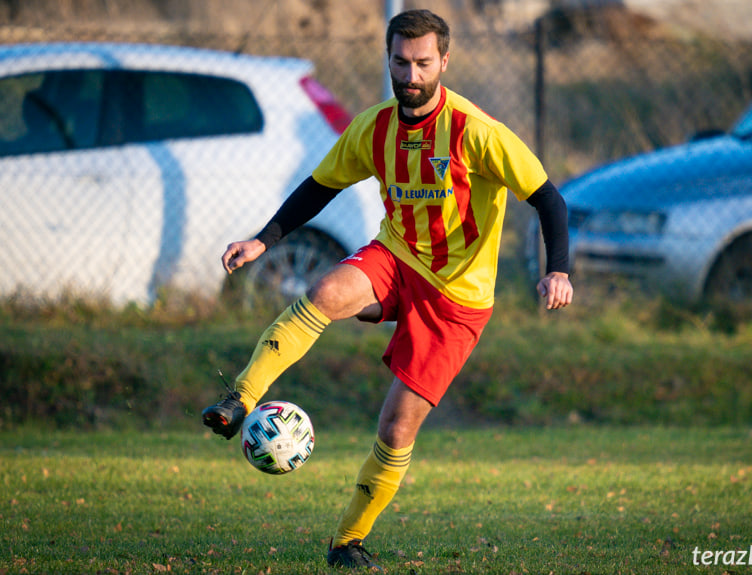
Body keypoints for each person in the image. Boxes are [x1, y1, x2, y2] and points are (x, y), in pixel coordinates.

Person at [202, 9, 573, 570]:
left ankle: (347, 542)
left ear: (443, 62)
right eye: (401, 61)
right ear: (389, 59)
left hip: (458, 299)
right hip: (397, 256)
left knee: (396, 428)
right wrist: (264, 240)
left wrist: (559, 268)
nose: (412, 74)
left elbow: (549, 198)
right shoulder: (374, 127)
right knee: (326, 291)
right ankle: (241, 402)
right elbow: (320, 185)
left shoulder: (477, 132)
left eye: (424, 62)